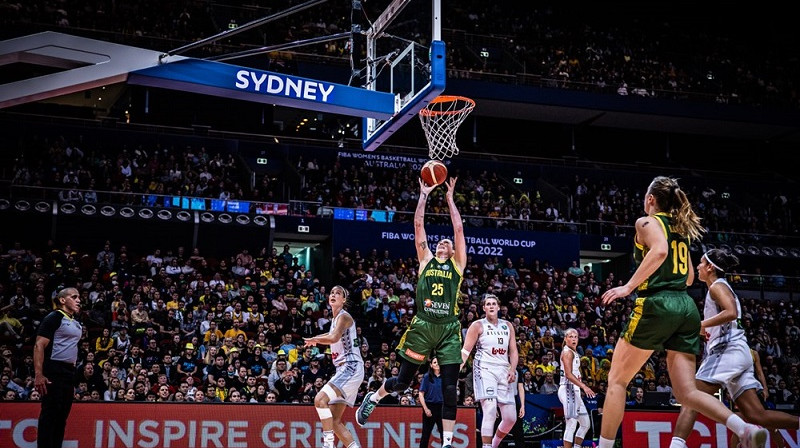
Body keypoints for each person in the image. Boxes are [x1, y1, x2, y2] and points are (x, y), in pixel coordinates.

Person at [598, 176, 767, 448]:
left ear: (651, 199)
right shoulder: (680, 227)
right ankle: (743, 428)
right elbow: (689, 277)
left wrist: (628, 286)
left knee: (617, 381)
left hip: (658, 303)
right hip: (685, 305)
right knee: (687, 392)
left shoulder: (647, 222)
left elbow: (661, 251)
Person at [356, 177, 466, 448]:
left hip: (449, 328)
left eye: (446, 243)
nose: (442, 243)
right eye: (439, 242)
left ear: (452, 250)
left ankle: (448, 443)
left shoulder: (458, 265)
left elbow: (459, 229)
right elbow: (418, 225)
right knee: (403, 382)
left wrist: (450, 199)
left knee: (451, 387)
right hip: (423, 325)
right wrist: (424, 195)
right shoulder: (425, 260)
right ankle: (375, 397)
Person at [669, 250, 800, 448]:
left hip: (728, 351)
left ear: (710, 267)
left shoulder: (717, 287)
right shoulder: (720, 287)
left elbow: (731, 312)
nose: (697, 266)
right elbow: (726, 319)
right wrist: (704, 331)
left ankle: (677, 445)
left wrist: (700, 325)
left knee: (690, 395)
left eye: (701, 263)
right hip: (739, 352)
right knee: (757, 415)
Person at [303, 285, 363, 448]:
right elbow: (329, 335)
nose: (334, 294)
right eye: (332, 292)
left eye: (338, 293)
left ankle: (328, 445)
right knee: (335, 421)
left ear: (344, 300)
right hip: (348, 369)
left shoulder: (344, 317)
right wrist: (315, 339)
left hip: (350, 366)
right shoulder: (335, 320)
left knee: (320, 400)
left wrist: (316, 338)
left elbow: (334, 338)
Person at [460, 294, 518, 448]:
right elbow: (466, 351)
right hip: (485, 369)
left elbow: (513, 351)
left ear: (499, 307)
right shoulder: (477, 325)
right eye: (488, 304)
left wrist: (512, 369)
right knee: (490, 409)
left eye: (494, 304)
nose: (491, 306)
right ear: (484, 308)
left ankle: (494, 444)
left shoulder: (508, 325)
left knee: (511, 418)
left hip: (503, 371)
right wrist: (457, 367)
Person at [34, 287, 83, 448]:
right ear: (62, 300)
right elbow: (39, 345)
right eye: (74, 297)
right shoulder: (54, 317)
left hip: (68, 373)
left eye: (79, 297)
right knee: (50, 415)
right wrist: (39, 374)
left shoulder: (76, 323)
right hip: (54, 370)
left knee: (62, 417)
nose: (78, 300)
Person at [559, 328, 596, 448]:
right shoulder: (567, 352)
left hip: (575, 390)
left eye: (575, 337)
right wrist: (584, 386)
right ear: (565, 339)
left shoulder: (574, 352)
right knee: (571, 424)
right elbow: (568, 374)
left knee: (585, 424)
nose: (574, 339)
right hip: (568, 388)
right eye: (570, 336)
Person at [418, 357, 444, 448]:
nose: (437, 364)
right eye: (435, 362)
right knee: (426, 434)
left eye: (438, 362)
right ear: (431, 365)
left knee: (444, 434)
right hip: (430, 406)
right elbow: (421, 394)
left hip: (442, 407)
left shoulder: (445, 377)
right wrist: (425, 409)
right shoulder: (427, 377)